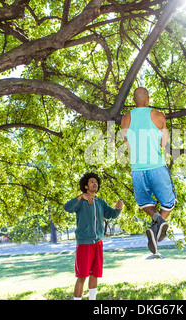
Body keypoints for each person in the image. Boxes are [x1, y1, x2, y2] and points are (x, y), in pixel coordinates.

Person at [121, 87, 176, 254]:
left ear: (134, 100)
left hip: (137, 168)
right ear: (148, 99)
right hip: (156, 165)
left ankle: (156, 222)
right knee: (169, 202)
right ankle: (158, 226)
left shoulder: (125, 118)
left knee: (144, 202)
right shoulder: (158, 115)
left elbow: (127, 143)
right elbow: (163, 143)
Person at [64, 172, 123, 300]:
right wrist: (80, 197)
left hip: (98, 243)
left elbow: (111, 214)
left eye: (96, 182)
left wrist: (118, 209)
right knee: (82, 277)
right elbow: (67, 207)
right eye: (91, 181)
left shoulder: (100, 202)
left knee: (95, 274)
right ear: (85, 186)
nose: (94, 183)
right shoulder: (80, 201)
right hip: (84, 243)